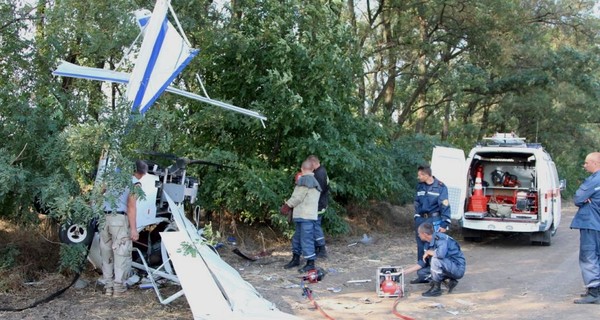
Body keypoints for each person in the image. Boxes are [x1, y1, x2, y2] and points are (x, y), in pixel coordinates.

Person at [100, 160, 147, 296]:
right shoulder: (135, 183)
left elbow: (100, 193)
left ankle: (108, 287)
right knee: (121, 252)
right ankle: (118, 287)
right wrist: (133, 229)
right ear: (139, 173)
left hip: (103, 218)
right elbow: (131, 207)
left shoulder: (113, 178)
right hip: (119, 220)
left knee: (106, 252)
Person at [410, 164, 452, 284]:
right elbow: (417, 202)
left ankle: (437, 275)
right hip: (421, 220)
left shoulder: (440, 187)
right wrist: (416, 215)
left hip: (434, 221)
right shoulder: (420, 186)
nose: (418, 177)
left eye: (420, 175)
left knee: (434, 247)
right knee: (421, 248)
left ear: (426, 175)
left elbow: (445, 206)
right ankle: (422, 275)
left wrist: (444, 224)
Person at [403, 222, 466, 297]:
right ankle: (448, 281)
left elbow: (440, 254)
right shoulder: (427, 243)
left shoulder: (441, 239)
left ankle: (436, 289)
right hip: (446, 265)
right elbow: (423, 262)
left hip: (457, 268)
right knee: (422, 273)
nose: (418, 235)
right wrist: (405, 272)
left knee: (435, 260)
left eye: (419, 233)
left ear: (425, 234)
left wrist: (429, 252)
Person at [281, 160, 322, 272]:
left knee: (306, 239)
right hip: (307, 216)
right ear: (312, 169)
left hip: (305, 216)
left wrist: (287, 206)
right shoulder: (314, 181)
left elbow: (297, 197)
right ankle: (296, 259)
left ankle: (310, 263)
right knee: (298, 239)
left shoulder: (304, 180)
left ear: (302, 169)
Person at [571, 152, 600, 304]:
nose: (585, 165)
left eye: (587, 163)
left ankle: (593, 292)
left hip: (592, 222)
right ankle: (596, 291)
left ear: (595, 163)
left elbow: (578, 198)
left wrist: (588, 200)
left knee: (589, 256)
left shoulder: (595, 179)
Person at [308, 155, 329, 258]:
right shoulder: (320, 171)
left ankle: (322, 248)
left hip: (318, 204)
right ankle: (317, 247)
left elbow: (318, 191)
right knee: (315, 225)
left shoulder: (319, 174)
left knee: (316, 226)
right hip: (319, 203)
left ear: (313, 163)